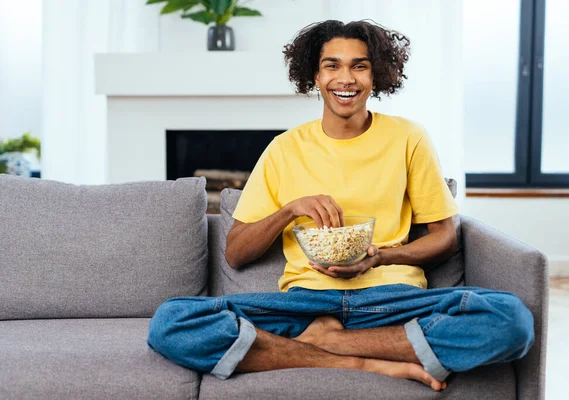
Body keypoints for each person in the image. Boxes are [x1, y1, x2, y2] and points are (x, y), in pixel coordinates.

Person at [147, 20, 534, 392]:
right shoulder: (284, 149)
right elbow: (235, 253)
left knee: (510, 320)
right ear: (315, 76)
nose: (345, 78)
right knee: (172, 321)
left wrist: (379, 257)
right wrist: (290, 209)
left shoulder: (408, 138)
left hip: (392, 299)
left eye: (359, 67)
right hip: (305, 304)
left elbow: (445, 238)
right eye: (332, 65)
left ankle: (331, 343)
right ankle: (358, 360)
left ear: (375, 76)